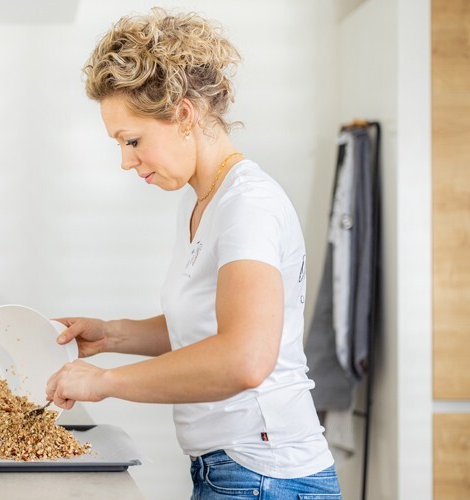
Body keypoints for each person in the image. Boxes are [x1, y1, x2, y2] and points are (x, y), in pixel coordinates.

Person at [44, 8, 341, 498]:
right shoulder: (202, 199)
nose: (125, 161)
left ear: (184, 115)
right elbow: (205, 327)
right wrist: (109, 334)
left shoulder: (249, 205)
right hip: (233, 469)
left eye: (132, 140)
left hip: (265, 474)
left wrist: (104, 382)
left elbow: (244, 358)